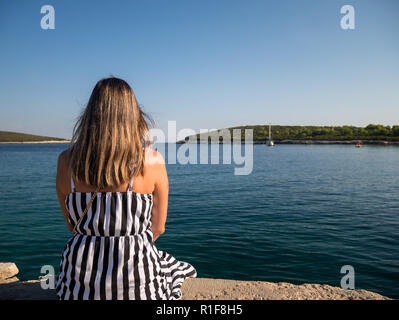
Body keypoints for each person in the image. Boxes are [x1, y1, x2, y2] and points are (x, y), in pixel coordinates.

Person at [55, 77, 196, 300]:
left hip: (80, 285)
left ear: (91, 114)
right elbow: (157, 229)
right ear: (133, 116)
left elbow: (72, 226)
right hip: (137, 285)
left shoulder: (66, 162)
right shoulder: (152, 161)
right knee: (171, 266)